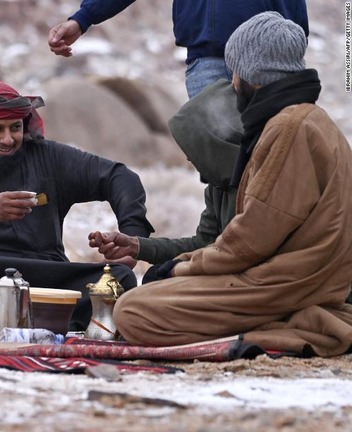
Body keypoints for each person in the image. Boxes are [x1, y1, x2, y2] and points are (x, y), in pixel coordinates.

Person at [113, 12, 352, 357]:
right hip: (291, 280)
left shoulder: (288, 129)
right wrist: (160, 258)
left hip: (285, 286)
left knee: (132, 311)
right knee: (152, 295)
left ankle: (291, 327)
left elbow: (251, 241)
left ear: (251, 73)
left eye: (235, 70)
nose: (234, 82)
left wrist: (181, 267)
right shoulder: (308, 121)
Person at [0, 81, 154, 331]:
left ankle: (38, 323)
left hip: (47, 276)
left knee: (118, 277)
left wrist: (132, 239)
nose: (8, 139)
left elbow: (120, 178)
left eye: (15, 128)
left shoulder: (49, 157)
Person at [89, 78, 241, 280]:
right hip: (220, 270)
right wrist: (137, 246)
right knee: (154, 277)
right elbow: (203, 243)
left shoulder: (251, 181)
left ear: (214, 146)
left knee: (140, 296)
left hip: (242, 279)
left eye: (194, 150)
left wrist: (178, 268)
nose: (188, 158)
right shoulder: (217, 184)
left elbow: (237, 254)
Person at [48, 0, 308, 98]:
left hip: (266, 59)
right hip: (207, 62)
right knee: (218, 168)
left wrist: (291, 51)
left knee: (275, 156)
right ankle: (228, 221)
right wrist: (83, 18)